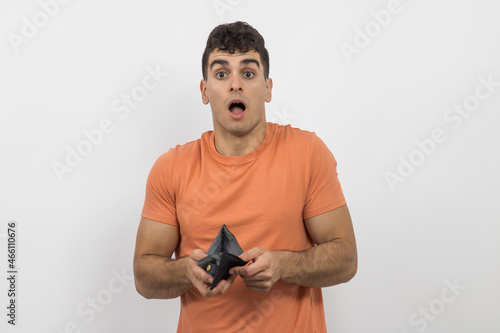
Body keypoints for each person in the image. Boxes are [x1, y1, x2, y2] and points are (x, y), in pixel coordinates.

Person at [133, 21, 357, 332]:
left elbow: (346, 259)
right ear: (204, 90)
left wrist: (282, 265)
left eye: (248, 73)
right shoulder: (170, 168)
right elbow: (144, 276)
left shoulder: (308, 153)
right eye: (221, 74)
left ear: (267, 88)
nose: (235, 84)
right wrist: (186, 271)